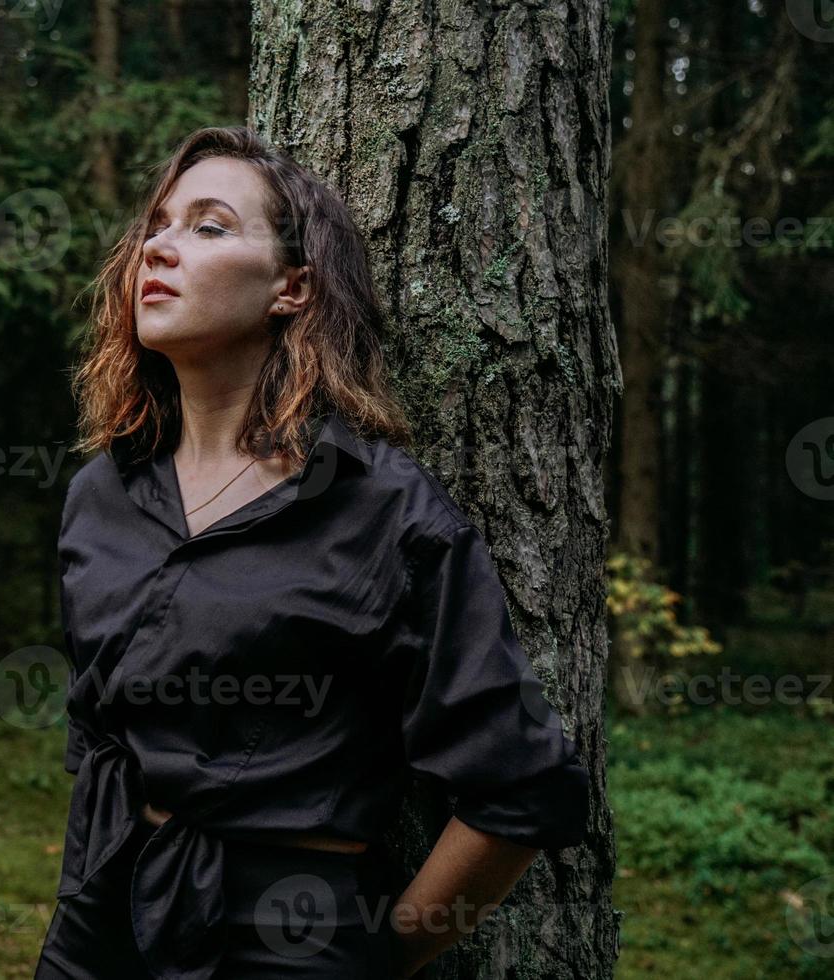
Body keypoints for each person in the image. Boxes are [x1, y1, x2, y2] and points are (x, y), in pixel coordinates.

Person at [33, 125, 590, 980]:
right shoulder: (101, 496)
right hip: (104, 917)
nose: (158, 246)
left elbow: (522, 788)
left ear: (291, 287)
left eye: (209, 226)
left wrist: (379, 953)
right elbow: (98, 741)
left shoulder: (382, 510)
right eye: (159, 224)